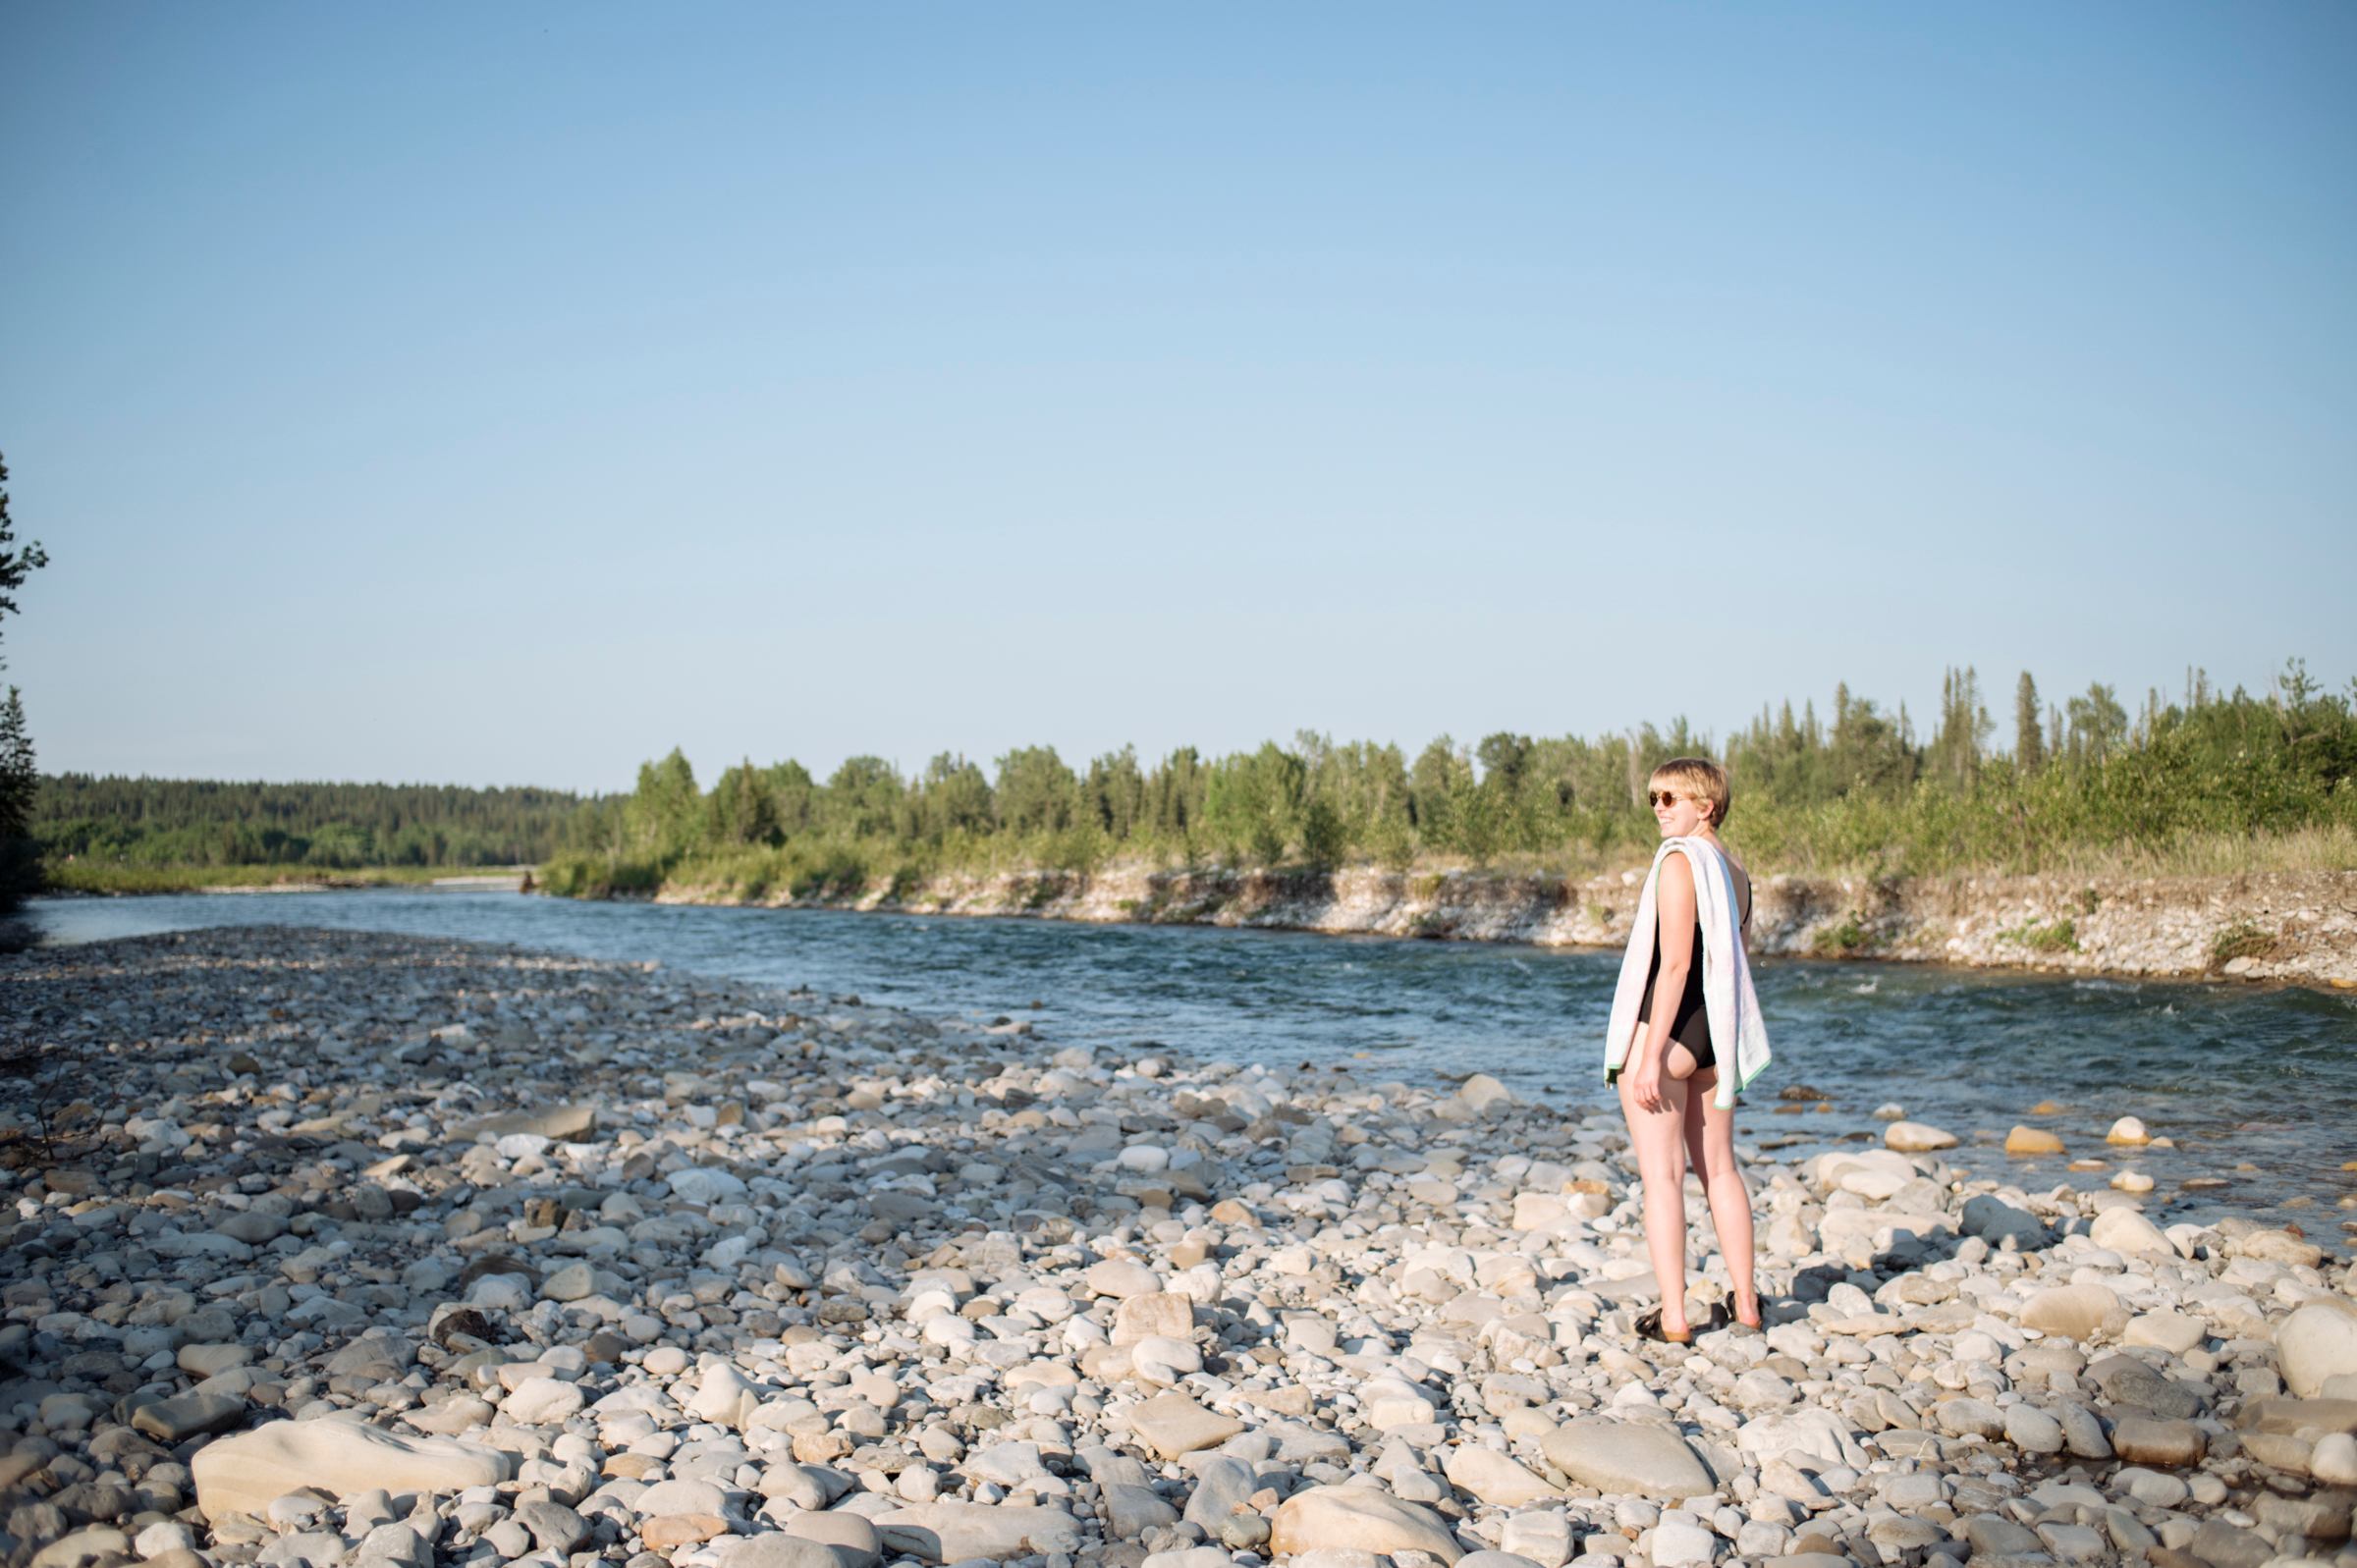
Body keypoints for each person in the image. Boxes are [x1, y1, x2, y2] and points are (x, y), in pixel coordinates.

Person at [1604, 756, 1768, 1344]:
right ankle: (1746, 1303)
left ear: (1708, 805)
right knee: (1720, 1169)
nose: (1658, 809)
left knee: (1663, 1178)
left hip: (1667, 1034)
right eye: (1654, 799)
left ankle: (1674, 1317)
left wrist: (1648, 1057)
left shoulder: (1679, 863)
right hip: (1715, 1037)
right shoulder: (1737, 871)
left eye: (1670, 798)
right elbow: (1737, 965)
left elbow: (1674, 964)